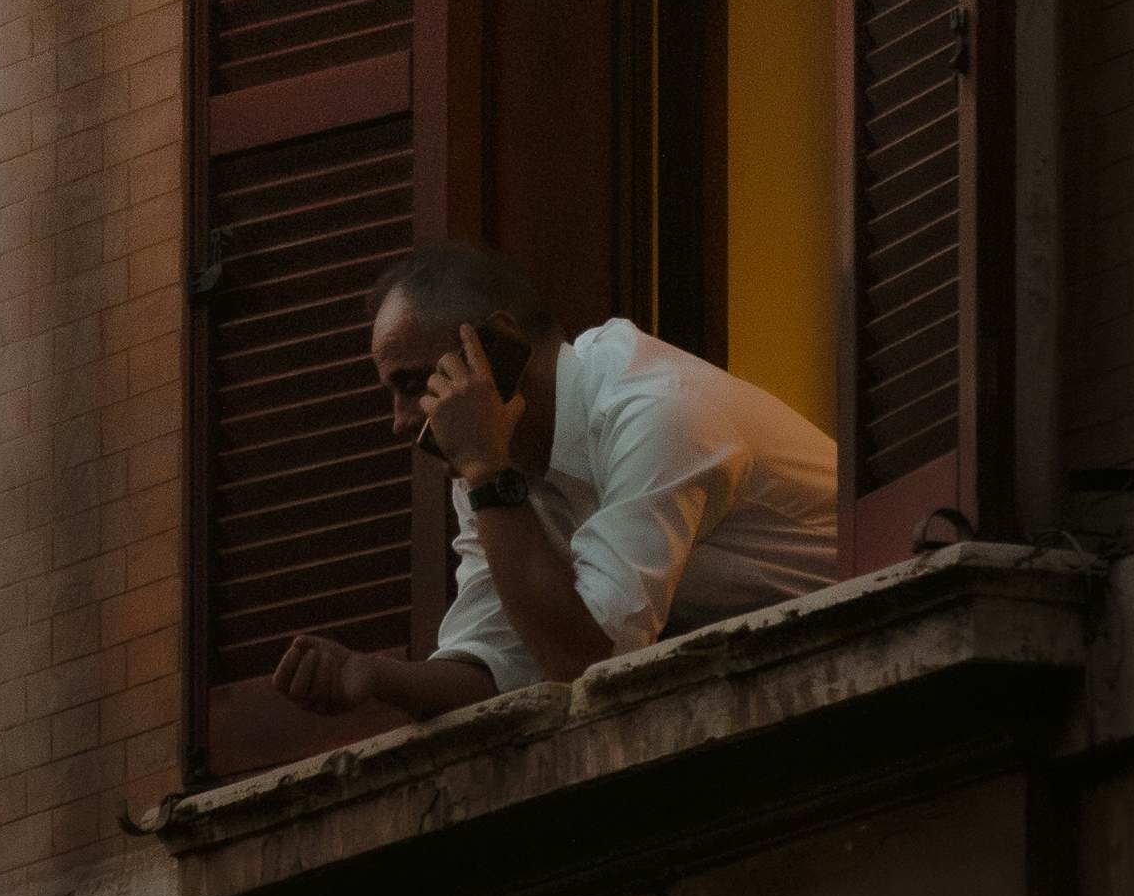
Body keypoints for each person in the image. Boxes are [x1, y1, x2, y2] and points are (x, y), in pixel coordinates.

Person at [270, 239, 838, 724]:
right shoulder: (486, 455)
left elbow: (588, 662)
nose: (400, 420)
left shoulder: (659, 412)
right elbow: (499, 664)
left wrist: (488, 476)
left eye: (412, 382)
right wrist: (370, 675)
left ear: (497, 345)